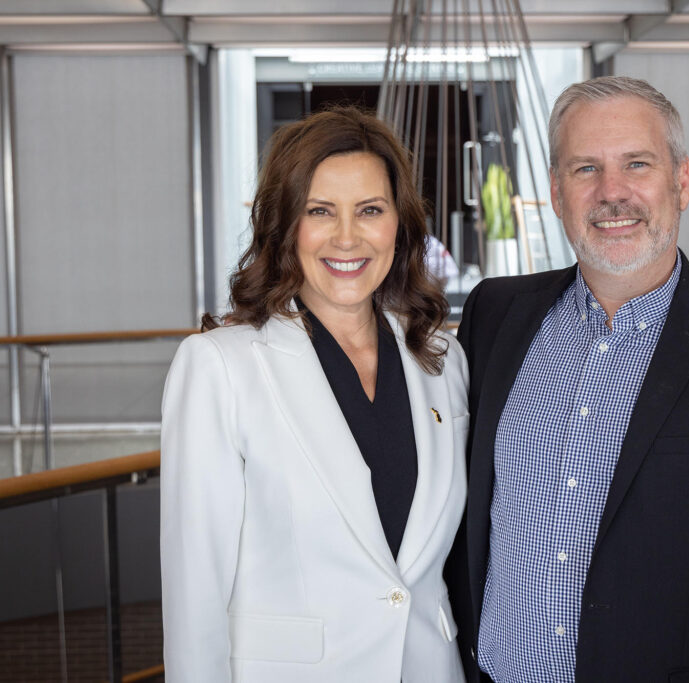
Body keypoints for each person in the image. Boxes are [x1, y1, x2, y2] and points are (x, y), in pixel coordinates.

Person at [448, 76, 689, 682]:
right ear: (556, 192)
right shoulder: (493, 317)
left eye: (637, 164)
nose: (612, 193)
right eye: (586, 169)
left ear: (681, 181)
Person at [160, 106, 467, 682]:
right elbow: (193, 587)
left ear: (398, 224)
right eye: (319, 211)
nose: (347, 237)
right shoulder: (220, 366)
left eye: (370, 210)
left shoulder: (442, 361)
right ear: (284, 224)